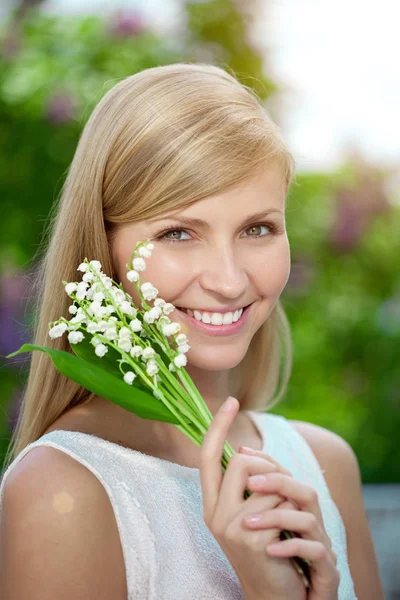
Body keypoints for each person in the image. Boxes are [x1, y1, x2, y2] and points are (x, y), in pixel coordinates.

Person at [0, 63, 383, 599]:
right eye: (178, 232)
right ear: (102, 248)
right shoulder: (62, 494)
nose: (229, 281)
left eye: (258, 228)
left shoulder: (325, 465)